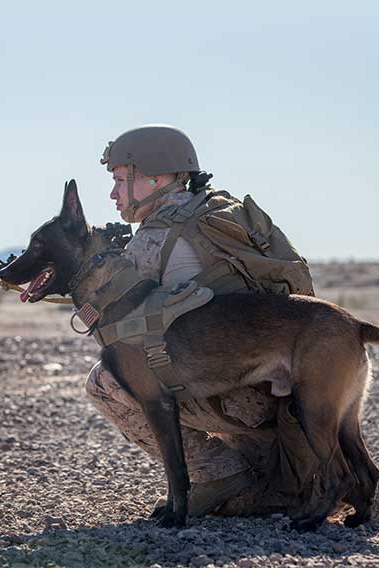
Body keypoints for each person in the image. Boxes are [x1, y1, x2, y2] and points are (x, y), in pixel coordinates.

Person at [85, 124, 318, 517]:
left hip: (239, 395)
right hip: (291, 387)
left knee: (107, 380)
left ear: (155, 178)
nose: (113, 194)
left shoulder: (153, 238)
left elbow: (117, 323)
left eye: (120, 180)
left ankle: (216, 474)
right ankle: (270, 469)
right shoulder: (224, 212)